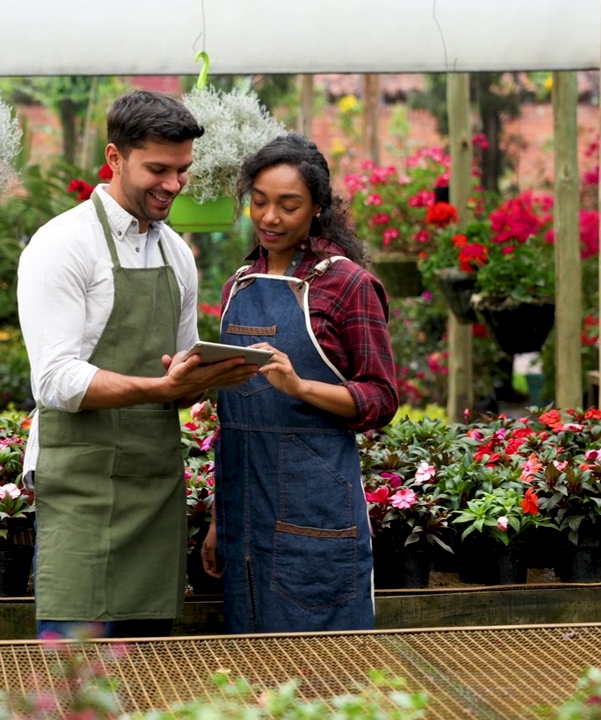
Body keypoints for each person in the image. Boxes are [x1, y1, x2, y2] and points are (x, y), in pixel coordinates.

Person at [16, 90, 257, 639]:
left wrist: (206, 379)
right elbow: (54, 380)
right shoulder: (62, 246)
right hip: (81, 487)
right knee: (74, 678)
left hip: (152, 486)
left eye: (183, 170)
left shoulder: (177, 254)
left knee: (150, 676)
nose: (173, 185)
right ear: (115, 158)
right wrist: (160, 387)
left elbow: (178, 372)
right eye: (157, 169)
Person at [200, 133, 399, 633]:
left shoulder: (348, 285)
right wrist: (219, 518)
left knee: (322, 667)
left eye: (288, 206)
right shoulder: (239, 282)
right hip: (243, 501)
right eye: (260, 202)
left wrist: (300, 387)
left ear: (316, 209)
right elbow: (231, 417)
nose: (270, 218)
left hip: (315, 501)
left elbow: (380, 398)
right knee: (252, 670)